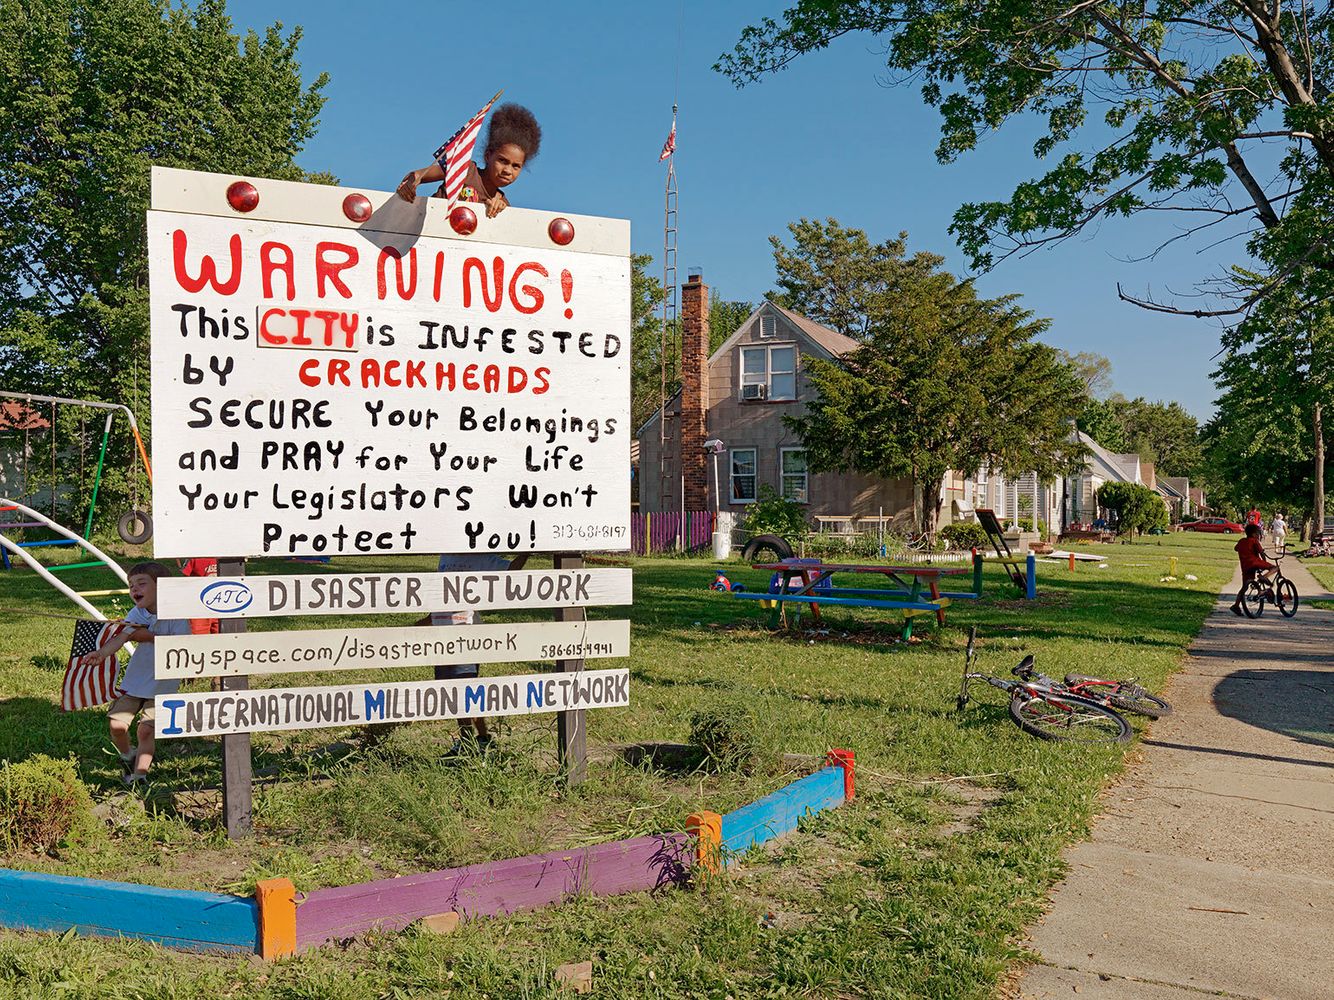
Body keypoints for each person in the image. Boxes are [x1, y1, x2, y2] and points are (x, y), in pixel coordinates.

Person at [83, 562, 191, 786]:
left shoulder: (177, 615)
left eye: (141, 583)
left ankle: (140, 775)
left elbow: (181, 645)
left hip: (163, 682)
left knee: (145, 731)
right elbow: (122, 636)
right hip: (136, 679)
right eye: (131, 585)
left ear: (162, 587)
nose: (134, 589)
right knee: (117, 725)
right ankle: (128, 755)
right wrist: (102, 653)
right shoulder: (138, 612)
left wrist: (148, 636)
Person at [431, 552, 527, 754]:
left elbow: (511, 571)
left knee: (466, 692)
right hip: (441, 634)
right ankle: (476, 739)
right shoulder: (446, 555)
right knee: (452, 692)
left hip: (466, 635)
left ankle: (475, 741)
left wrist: (528, 550)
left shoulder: (479, 556)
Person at [395, 103, 542, 218]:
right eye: (502, 161)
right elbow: (416, 175)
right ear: (487, 155)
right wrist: (409, 184)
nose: (507, 170)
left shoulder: (503, 204)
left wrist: (498, 209)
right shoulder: (464, 170)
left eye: (516, 166)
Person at [1230, 524, 1277, 617]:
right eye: (1258, 533)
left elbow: (1236, 548)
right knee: (1275, 568)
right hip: (1255, 562)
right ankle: (1263, 577)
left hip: (1245, 566)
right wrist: (1265, 563)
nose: (1259, 535)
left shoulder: (1241, 541)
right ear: (1254, 534)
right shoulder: (1254, 541)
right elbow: (1262, 553)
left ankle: (1236, 605)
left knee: (1245, 587)